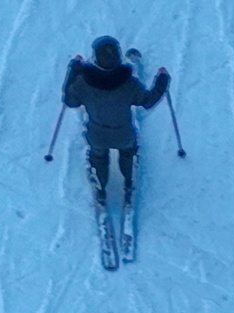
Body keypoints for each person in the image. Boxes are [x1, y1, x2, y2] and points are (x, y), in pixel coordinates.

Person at [61, 39, 169, 206]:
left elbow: (70, 101)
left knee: (98, 157)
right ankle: (129, 180)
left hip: (96, 135)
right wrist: (162, 80)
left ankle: (100, 188)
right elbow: (148, 101)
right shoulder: (129, 83)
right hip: (124, 134)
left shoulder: (83, 82)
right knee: (128, 152)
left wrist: (73, 71)